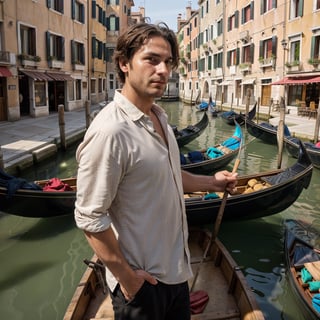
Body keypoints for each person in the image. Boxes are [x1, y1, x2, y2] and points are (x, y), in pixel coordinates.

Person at [74, 22, 238, 320]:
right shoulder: (111, 131)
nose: (163, 70)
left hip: (176, 271)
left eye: (168, 62)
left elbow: (171, 176)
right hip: (142, 284)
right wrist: (127, 278)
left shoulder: (159, 118)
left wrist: (212, 182)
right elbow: (88, 215)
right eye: (151, 59)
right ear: (124, 63)